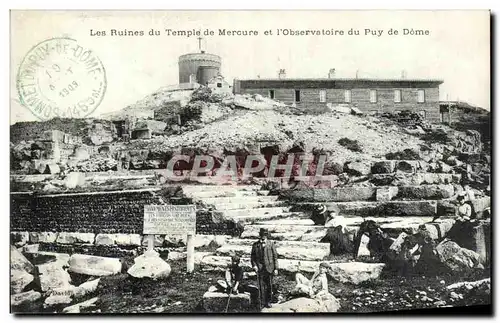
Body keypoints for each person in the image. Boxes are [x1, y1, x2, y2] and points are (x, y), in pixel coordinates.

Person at [251, 228, 278, 308]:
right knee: (261, 287)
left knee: (269, 286)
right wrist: (254, 266)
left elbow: (275, 257)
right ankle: (262, 303)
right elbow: (252, 258)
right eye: (262, 235)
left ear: (267, 235)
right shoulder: (255, 245)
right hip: (260, 269)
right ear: (260, 235)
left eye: (265, 234)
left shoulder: (271, 244)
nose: (263, 236)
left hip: (270, 268)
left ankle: (268, 301)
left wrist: (276, 268)